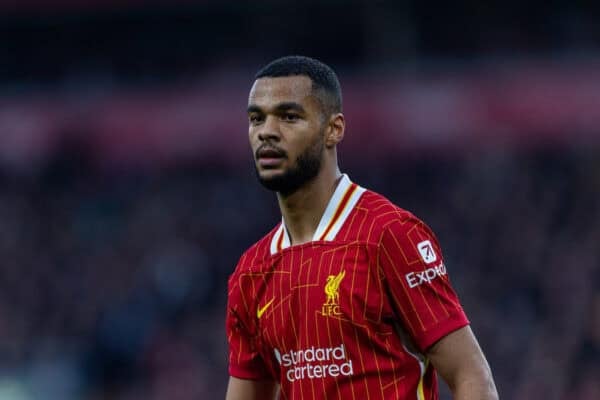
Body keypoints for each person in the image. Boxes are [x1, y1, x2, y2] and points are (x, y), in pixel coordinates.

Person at [225, 55, 498, 400]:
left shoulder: (389, 235)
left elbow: (472, 377)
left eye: (289, 116)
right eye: (256, 118)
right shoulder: (251, 273)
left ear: (333, 129)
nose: (266, 131)